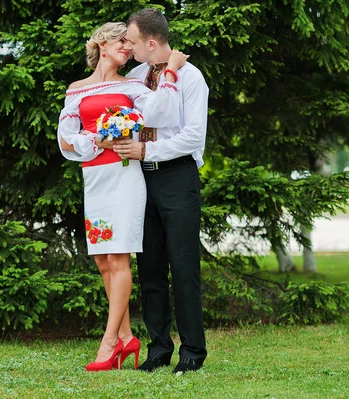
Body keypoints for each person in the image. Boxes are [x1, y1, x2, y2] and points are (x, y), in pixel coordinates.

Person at [57, 22, 187, 372]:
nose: (128, 50)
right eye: (122, 43)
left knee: (118, 258)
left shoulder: (131, 86)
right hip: (95, 177)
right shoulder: (76, 90)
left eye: (131, 47)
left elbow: (162, 111)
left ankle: (110, 341)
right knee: (102, 260)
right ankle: (128, 336)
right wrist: (96, 140)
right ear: (102, 43)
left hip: (125, 176)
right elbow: (67, 140)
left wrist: (171, 72)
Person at [113, 8, 209, 374]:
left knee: (183, 266)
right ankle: (158, 348)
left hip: (176, 177)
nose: (129, 48)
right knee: (150, 265)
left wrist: (148, 150)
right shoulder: (136, 76)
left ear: (151, 42)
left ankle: (192, 353)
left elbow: (192, 136)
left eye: (133, 42)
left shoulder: (191, 77)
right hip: (140, 179)